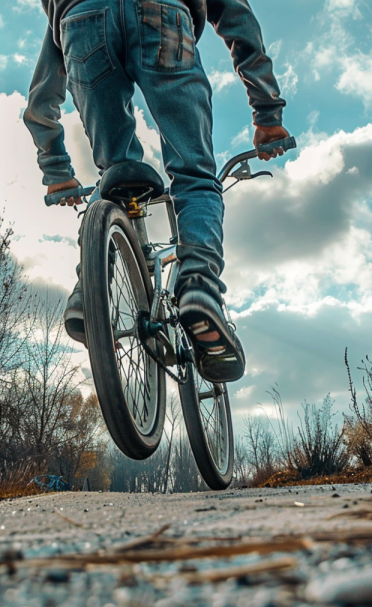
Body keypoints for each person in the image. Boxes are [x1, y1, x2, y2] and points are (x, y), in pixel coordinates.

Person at [24, 0, 289, 383]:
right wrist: (267, 113)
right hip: (162, 17)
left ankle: (90, 291)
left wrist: (56, 169)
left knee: (114, 175)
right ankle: (199, 286)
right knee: (194, 175)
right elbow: (235, 14)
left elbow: (45, 82)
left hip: (81, 22)